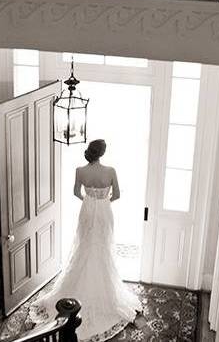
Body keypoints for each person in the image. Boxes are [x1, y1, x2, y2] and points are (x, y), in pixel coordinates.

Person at [29, 139, 141, 341]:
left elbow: (75, 192)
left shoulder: (80, 170)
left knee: (84, 247)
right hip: (104, 212)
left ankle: (74, 291)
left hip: (86, 212)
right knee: (103, 248)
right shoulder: (110, 171)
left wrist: (89, 202)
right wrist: (103, 203)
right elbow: (116, 194)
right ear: (102, 153)